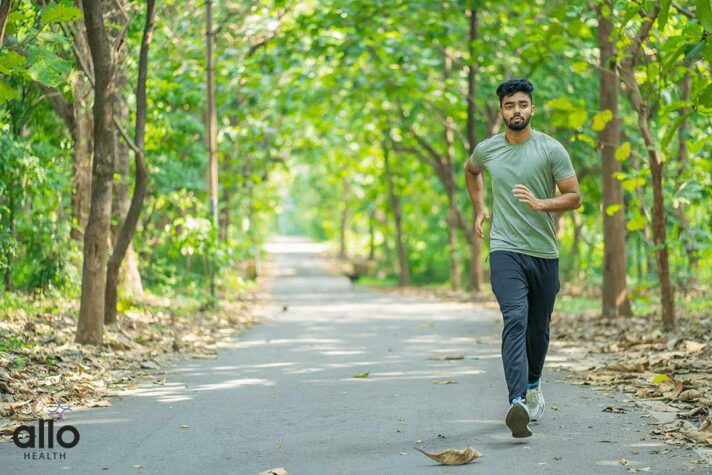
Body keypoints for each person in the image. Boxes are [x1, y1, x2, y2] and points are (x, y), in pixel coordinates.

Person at [464, 78, 582, 438]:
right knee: (515, 317)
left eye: (522, 104)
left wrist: (541, 203)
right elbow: (471, 171)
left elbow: (574, 196)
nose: (516, 110)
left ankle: (533, 385)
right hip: (504, 250)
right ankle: (517, 401)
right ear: (501, 111)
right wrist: (480, 208)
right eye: (509, 105)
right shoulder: (488, 149)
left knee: (538, 327)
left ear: (532, 108)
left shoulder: (550, 150)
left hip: (543, 252)